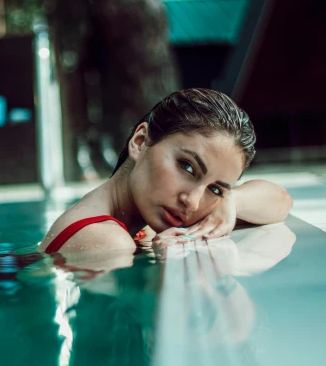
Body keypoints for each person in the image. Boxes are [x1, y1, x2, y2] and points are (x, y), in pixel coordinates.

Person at [40, 88, 293, 255]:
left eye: (214, 188)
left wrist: (231, 199)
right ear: (140, 142)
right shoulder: (109, 241)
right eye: (186, 166)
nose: (192, 202)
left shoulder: (135, 219)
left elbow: (281, 200)